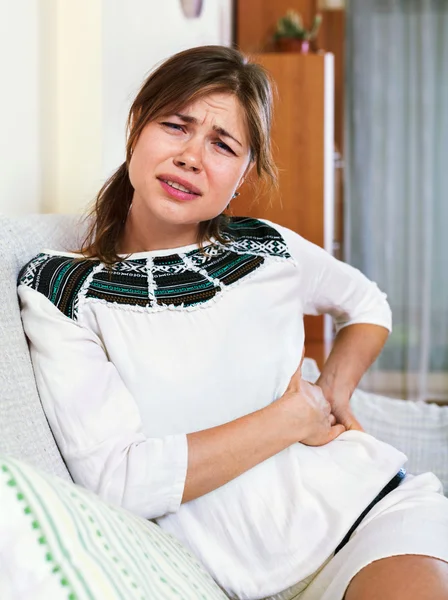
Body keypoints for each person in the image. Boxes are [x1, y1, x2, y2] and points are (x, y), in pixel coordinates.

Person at [18, 46, 448, 600]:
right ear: (135, 130)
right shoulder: (63, 288)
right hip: (238, 578)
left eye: (223, 145)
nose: (192, 156)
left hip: (371, 519)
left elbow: (368, 303)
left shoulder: (266, 247)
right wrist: (295, 416)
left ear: (243, 174)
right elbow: (119, 482)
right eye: (177, 126)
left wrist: (333, 391)